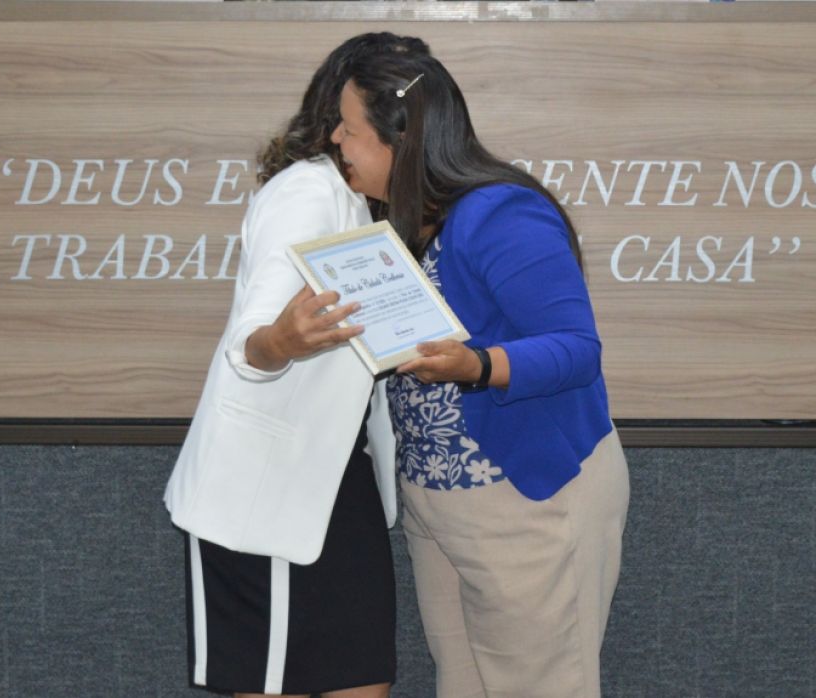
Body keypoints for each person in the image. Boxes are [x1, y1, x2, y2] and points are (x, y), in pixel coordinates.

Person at [331, 51, 631, 698]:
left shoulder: (499, 212)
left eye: (349, 129)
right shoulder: (393, 220)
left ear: (399, 139)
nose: (335, 140)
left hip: (525, 498)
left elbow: (576, 348)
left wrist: (479, 365)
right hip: (437, 504)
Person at [163, 33, 430, 698]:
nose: (342, 136)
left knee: (365, 677)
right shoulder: (307, 192)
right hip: (266, 492)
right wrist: (280, 343)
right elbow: (252, 341)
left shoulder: (368, 203)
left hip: (339, 474)